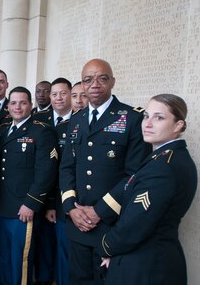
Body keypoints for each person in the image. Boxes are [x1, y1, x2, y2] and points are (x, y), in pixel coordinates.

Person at [59, 59, 151, 285]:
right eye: (88, 80)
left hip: (110, 224)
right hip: (77, 223)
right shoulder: (77, 119)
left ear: (112, 82)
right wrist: (71, 208)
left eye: (102, 78)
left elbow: (134, 175)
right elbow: (67, 167)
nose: (95, 84)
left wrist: (99, 211)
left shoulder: (131, 118)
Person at [93, 94, 197, 285]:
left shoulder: (163, 167)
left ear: (178, 125)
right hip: (148, 260)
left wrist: (106, 248)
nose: (147, 124)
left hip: (146, 267)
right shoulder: (166, 158)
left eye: (159, 117)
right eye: (146, 116)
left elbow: (134, 225)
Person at [0, 86, 58, 285]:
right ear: (8, 106)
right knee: (4, 257)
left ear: (31, 105)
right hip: (3, 206)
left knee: (20, 261)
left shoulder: (41, 131)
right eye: (13, 102)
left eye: (23, 102)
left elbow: (46, 171)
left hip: (24, 208)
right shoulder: (4, 131)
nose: (18, 107)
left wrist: (31, 203)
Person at [33, 77, 73, 285]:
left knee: (65, 246)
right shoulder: (38, 118)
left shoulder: (80, 121)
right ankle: (43, 278)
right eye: (54, 94)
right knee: (43, 243)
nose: (58, 98)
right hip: (41, 193)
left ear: (71, 94)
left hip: (66, 194)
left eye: (63, 93)